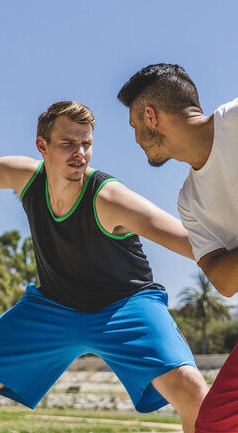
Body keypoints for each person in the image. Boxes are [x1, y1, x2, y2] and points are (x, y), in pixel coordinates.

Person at [0, 72, 207, 433]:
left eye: (86, 143)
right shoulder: (26, 178)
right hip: (53, 306)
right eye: (68, 143)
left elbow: (190, 240)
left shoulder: (109, 198)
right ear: (43, 145)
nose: (79, 153)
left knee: (192, 391)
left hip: (125, 306)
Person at [118, 63, 238, 433]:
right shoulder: (189, 201)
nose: (136, 139)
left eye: (135, 127)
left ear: (151, 117)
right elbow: (224, 280)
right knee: (214, 425)